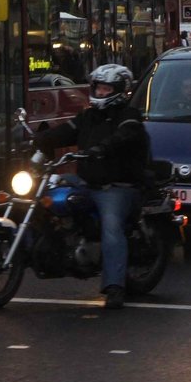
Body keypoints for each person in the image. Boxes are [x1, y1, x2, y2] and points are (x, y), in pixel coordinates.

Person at [32, 63, 149, 310]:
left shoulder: (129, 118)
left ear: (120, 90)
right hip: (86, 182)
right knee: (47, 195)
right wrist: (40, 139)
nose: (101, 92)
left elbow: (124, 136)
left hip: (116, 187)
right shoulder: (88, 116)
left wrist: (103, 148)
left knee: (111, 227)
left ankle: (115, 286)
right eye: (99, 87)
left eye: (107, 89)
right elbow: (66, 131)